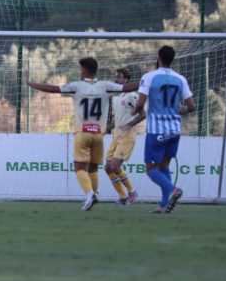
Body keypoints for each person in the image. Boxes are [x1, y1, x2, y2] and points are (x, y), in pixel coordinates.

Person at [25, 58, 137, 211]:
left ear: (84, 70)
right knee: (94, 168)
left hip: (83, 132)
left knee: (79, 167)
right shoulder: (105, 86)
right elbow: (128, 87)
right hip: (98, 134)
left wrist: (31, 84)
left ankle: (90, 194)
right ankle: (96, 192)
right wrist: (148, 82)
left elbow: (53, 89)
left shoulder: (76, 86)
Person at [132, 46, 195, 214]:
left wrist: (135, 110)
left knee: (151, 170)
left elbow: (139, 104)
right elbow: (191, 106)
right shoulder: (180, 78)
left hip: (157, 131)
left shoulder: (149, 77)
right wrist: (180, 110)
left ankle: (174, 190)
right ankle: (164, 205)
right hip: (174, 131)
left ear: (158, 57)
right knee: (163, 167)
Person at [104, 68, 145, 205]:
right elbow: (117, 119)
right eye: (114, 77)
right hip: (116, 136)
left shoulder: (131, 96)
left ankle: (132, 192)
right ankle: (122, 196)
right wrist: (106, 129)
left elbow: (142, 114)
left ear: (126, 80)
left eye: (119, 77)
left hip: (127, 137)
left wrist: (129, 125)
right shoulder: (116, 96)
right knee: (108, 167)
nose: (115, 79)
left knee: (115, 166)